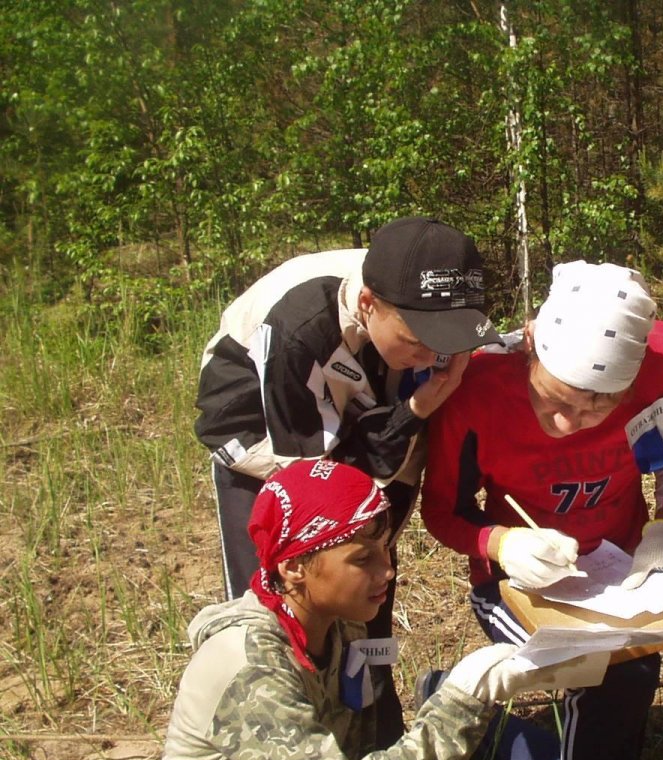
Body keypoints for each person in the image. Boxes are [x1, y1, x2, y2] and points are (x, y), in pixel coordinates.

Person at [420, 260, 663, 760]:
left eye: (598, 407)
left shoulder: (662, 359)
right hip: (516, 580)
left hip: (621, 564)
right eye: (554, 401)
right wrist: (501, 542)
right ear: (529, 345)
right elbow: (440, 508)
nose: (570, 424)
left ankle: (484, 725)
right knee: (601, 674)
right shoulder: (478, 389)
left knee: (630, 672)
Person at [141, 458, 553, 760]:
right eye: (363, 559)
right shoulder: (248, 665)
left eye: (385, 549)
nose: (387, 571)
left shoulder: (338, 626)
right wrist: (463, 699)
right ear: (293, 567)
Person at [193, 216, 501, 731]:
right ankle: (290, 746)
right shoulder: (299, 328)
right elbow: (316, 493)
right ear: (367, 305)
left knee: (370, 581)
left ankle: (377, 732)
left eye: (448, 339)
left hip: (368, 409)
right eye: (420, 341)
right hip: (269, 441)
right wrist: (416, 409)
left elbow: (460, 350)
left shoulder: (418, 298)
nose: (433, 355)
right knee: (292, 594)